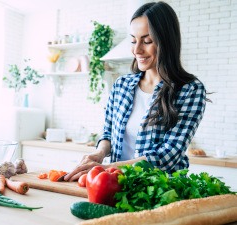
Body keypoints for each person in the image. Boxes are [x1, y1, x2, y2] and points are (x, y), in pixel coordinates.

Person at [65, 1, 208, 181]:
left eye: (147, 41)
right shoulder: (121, 85)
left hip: (161, 191)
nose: (137, 49)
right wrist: (100, 153)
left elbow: (168, 155)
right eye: (133, 40)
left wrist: (106, 168)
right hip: (115, 184)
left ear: (166, 42)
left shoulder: (190, 90)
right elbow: (108, 132)